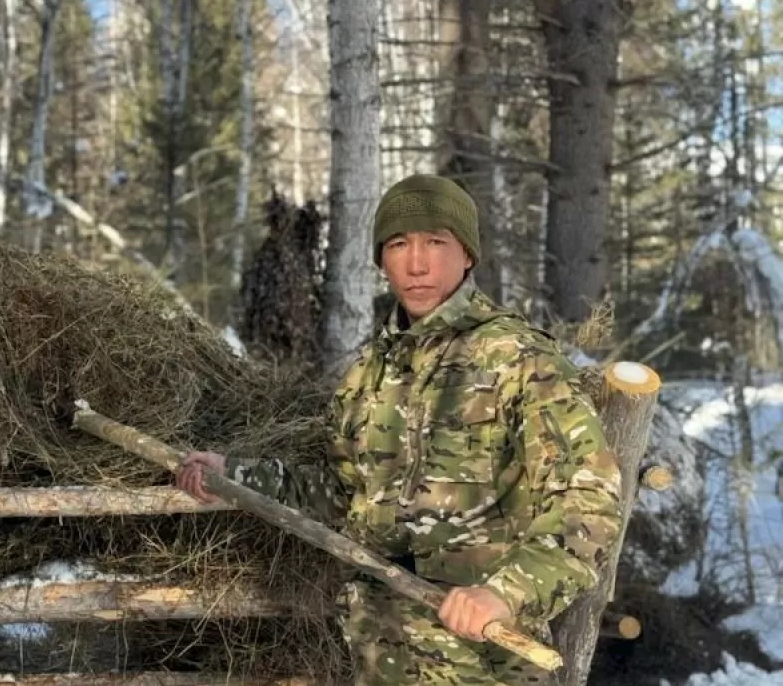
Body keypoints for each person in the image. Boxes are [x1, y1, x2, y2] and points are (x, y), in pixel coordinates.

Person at [175, 174, 623, 685]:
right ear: (381, 259)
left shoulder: (517, 359)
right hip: (377, 654)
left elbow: (589, 501)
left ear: (468, 254)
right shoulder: (368, 373)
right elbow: (344, 493)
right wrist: (234, 475)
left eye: (436, 242)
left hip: (484, 666)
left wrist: (506, 592)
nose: (417, 263)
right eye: (398, 244)